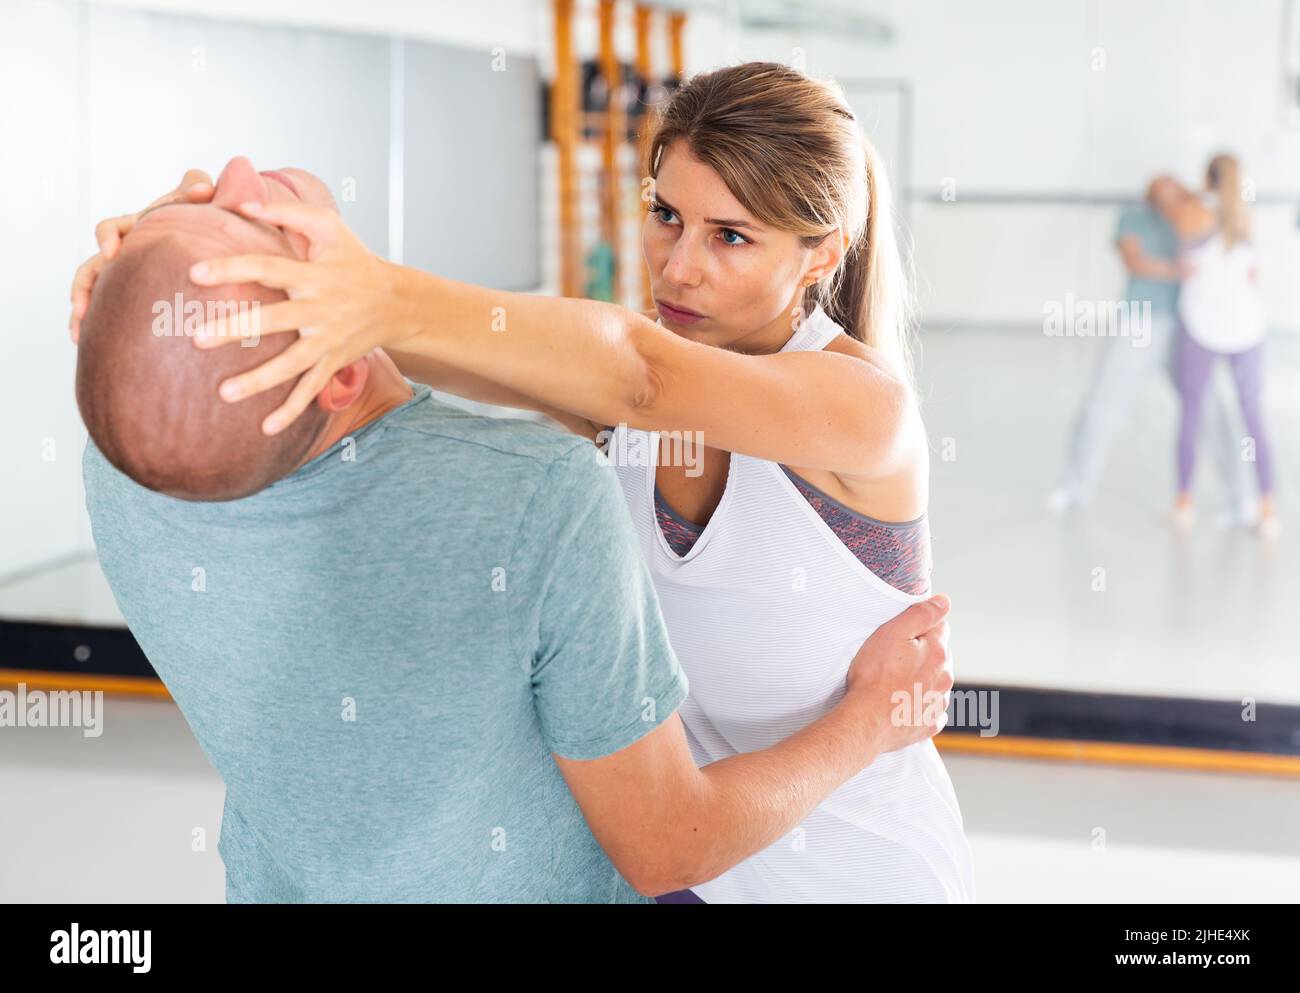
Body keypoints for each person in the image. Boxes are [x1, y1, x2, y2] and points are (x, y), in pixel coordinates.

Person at [134, 62, 977, 902]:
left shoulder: (864, 410)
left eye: (731, 236)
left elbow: (642, 377)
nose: (679, 267)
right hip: (693, 876)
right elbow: (392, 342)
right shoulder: (625, 388)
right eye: (666, 216)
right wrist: (180, 255)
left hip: (866, 877)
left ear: (821, 252)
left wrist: (377, 295)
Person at [1050, 176, 1252, 521]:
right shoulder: (1133, 218)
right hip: (1140, 321)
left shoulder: (1194, 216)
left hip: (1186, 326)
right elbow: (1134, 261)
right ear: (1150, 195)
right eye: (1162, 189)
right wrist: (1177, 270)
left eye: (1175, 188)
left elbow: (1228, 238)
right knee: (1102, 402)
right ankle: (1075, 485)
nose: (1168, 194)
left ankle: (1241, 498)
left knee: (1210, 407)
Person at [1164, 154, 1277, 537]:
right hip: (1247, 328)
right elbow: (1253, 274)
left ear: (1205, 177)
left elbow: (1179, 241)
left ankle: (1184, 501)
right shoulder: (1245, 218)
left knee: (1192, 414)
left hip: (1203, 328)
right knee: (1253, 416)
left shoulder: (1193, 211)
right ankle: (1268, 507)